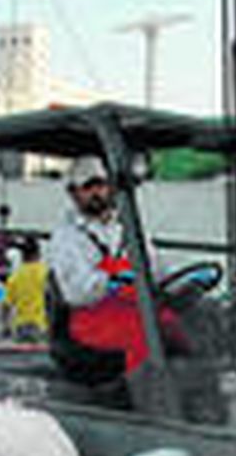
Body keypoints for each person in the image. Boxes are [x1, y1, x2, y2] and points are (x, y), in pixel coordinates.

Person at [46, 156, 189, 382]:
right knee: (145, 335)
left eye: (100, 185)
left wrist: (183, 283)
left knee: (195, 322)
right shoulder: (67, 238)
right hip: (90, 322)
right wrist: (116, 279)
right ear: (73, 193)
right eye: (88, 186)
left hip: (131, 310)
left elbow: (157, 268)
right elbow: (76, 293)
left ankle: (201, 392)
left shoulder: (126, 228)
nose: (96, 192)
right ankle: (151, 404)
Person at [2, 241, 49, 343]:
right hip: (42, 324)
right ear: (38, 254)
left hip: (21, 325)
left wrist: (6, 326)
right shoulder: (46, 273)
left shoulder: (15, 276)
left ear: (22, 256)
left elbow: (6, 305)